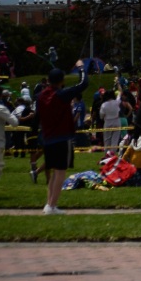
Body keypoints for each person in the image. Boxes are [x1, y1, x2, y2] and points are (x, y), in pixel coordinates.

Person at [37, 68, 89, 214]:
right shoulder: (62, 95)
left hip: (48, 138)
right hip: (62, 138)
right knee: (61, 173)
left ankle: (49, 204)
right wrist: (81, 68)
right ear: (62, 81)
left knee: (55, 171)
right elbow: (83, 83)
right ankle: (52, 206)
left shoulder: (41, 96)